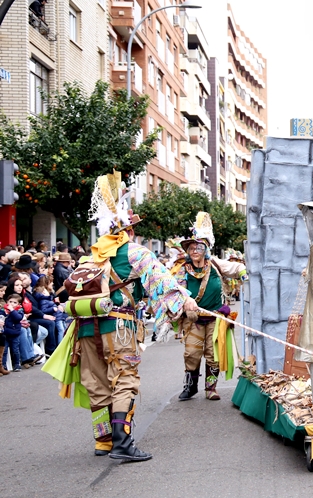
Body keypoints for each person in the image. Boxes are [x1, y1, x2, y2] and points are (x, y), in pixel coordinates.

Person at [42, 171, 198, 462]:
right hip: (119, 327)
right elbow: (162, 282)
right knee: (124, 379)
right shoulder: (136, 253)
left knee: (96, 383)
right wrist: (185, 302)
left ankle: (104, 441)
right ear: (128, 228)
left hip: (86, 328)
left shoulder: (92, 256)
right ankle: (123, 443)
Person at [171, 212, 246, 401]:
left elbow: (235, 268)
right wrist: (187, 307)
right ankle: (190, 387)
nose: (194, 251)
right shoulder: (182, 270)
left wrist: (243, 273)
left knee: (213, 355)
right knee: (192, 353)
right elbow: (176, 291)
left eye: (198, 247)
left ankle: (211, 388)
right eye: (191, 248)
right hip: (194, 320)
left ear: (206, 250)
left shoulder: (214, 265)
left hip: (215, 317)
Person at [3, 294, 25, 371]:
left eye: (15, 302)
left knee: (15, 350)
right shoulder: (3, 311)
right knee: (4, 350)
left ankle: (16, 364)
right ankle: (3, 365)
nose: (12, 304)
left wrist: (12, 311)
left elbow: (17, 318)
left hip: (15, 333)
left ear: (19, 304)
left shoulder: (19, 311)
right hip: (5, 333)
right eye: (10, 301)